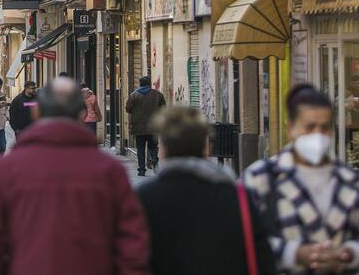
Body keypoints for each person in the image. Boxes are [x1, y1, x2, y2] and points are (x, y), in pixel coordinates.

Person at [0, 77, 150, 274]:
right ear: (81, 115)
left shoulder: (5, 171)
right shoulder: (109, 172)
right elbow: (133, 245)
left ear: (37, 112)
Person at [137, 106, 275, 275]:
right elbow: (263, 259)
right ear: (206, 146)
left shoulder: (142, 200)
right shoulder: (237, 198)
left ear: (163, 148)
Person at [244, 84, 359, 274]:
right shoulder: (261, 178)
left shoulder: (349, 180)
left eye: (324, 127)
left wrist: (347, 254)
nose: (317, 135)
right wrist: (294, 253)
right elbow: (243, 240)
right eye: (309, 127)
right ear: (291, 128)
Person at [125, 76, 166, 176]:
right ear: (149, 83)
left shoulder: (134, 95)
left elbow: (128, 109)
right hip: (153, 126)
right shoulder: (158, 95)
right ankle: (155, 165)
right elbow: (164, 109)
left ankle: (142, 170)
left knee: (140, 148)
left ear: (140, 84)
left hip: (138, 127)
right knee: (153, 147)